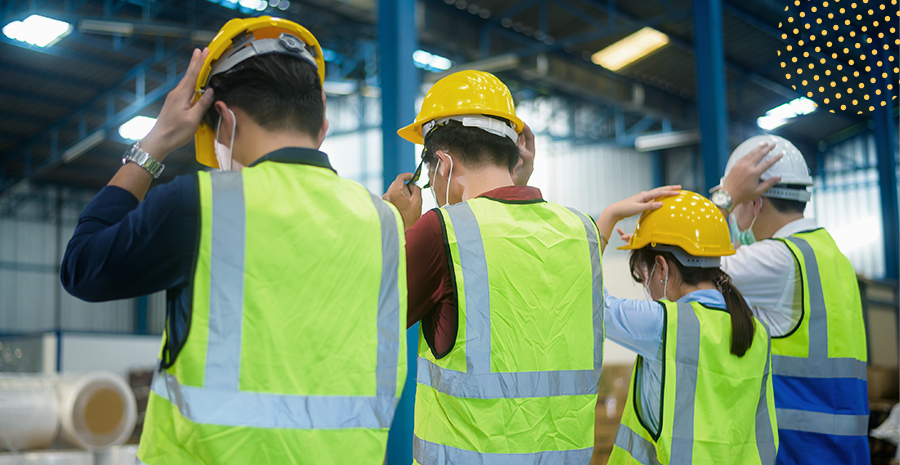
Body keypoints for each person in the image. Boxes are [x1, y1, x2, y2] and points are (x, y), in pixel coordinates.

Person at [60, 17, 407, 464]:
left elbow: (83, 267)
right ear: (321, 116)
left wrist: (157, 141)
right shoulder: (382, 222)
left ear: (222, 118)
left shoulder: (201, 205)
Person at [383, 70, 604, 464]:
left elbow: (366, 318)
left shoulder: (441, 232)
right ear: (515, 154)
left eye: (430, 176)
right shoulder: (581, 232)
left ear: (443, 164)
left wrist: (397, 225)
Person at [707, 135, 869, 464]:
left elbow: (690, 265)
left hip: (796, 449)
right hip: (843, 451)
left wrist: (724, 197)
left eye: (740, 204)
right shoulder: (831, 255)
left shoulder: (778, 260)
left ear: (755, 203)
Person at [600, 189, 778, 464]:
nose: (646, 287)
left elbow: (583, 300)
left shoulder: (662, 323)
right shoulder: (757, 331)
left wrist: (608, 218)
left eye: (642, 276)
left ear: (662, 267)